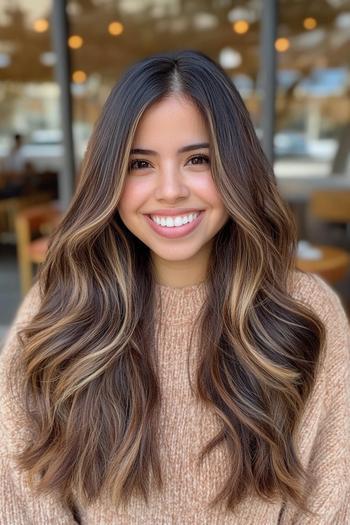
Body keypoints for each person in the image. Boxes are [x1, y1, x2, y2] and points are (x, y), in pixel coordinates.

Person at [0, 50, 349, 524]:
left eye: (198, 159)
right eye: (140, 164)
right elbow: (21, 494)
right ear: (110, 177)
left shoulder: (304, 311)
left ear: (237, 167)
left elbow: (331, 499)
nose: (169, 190)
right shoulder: (60, 307)